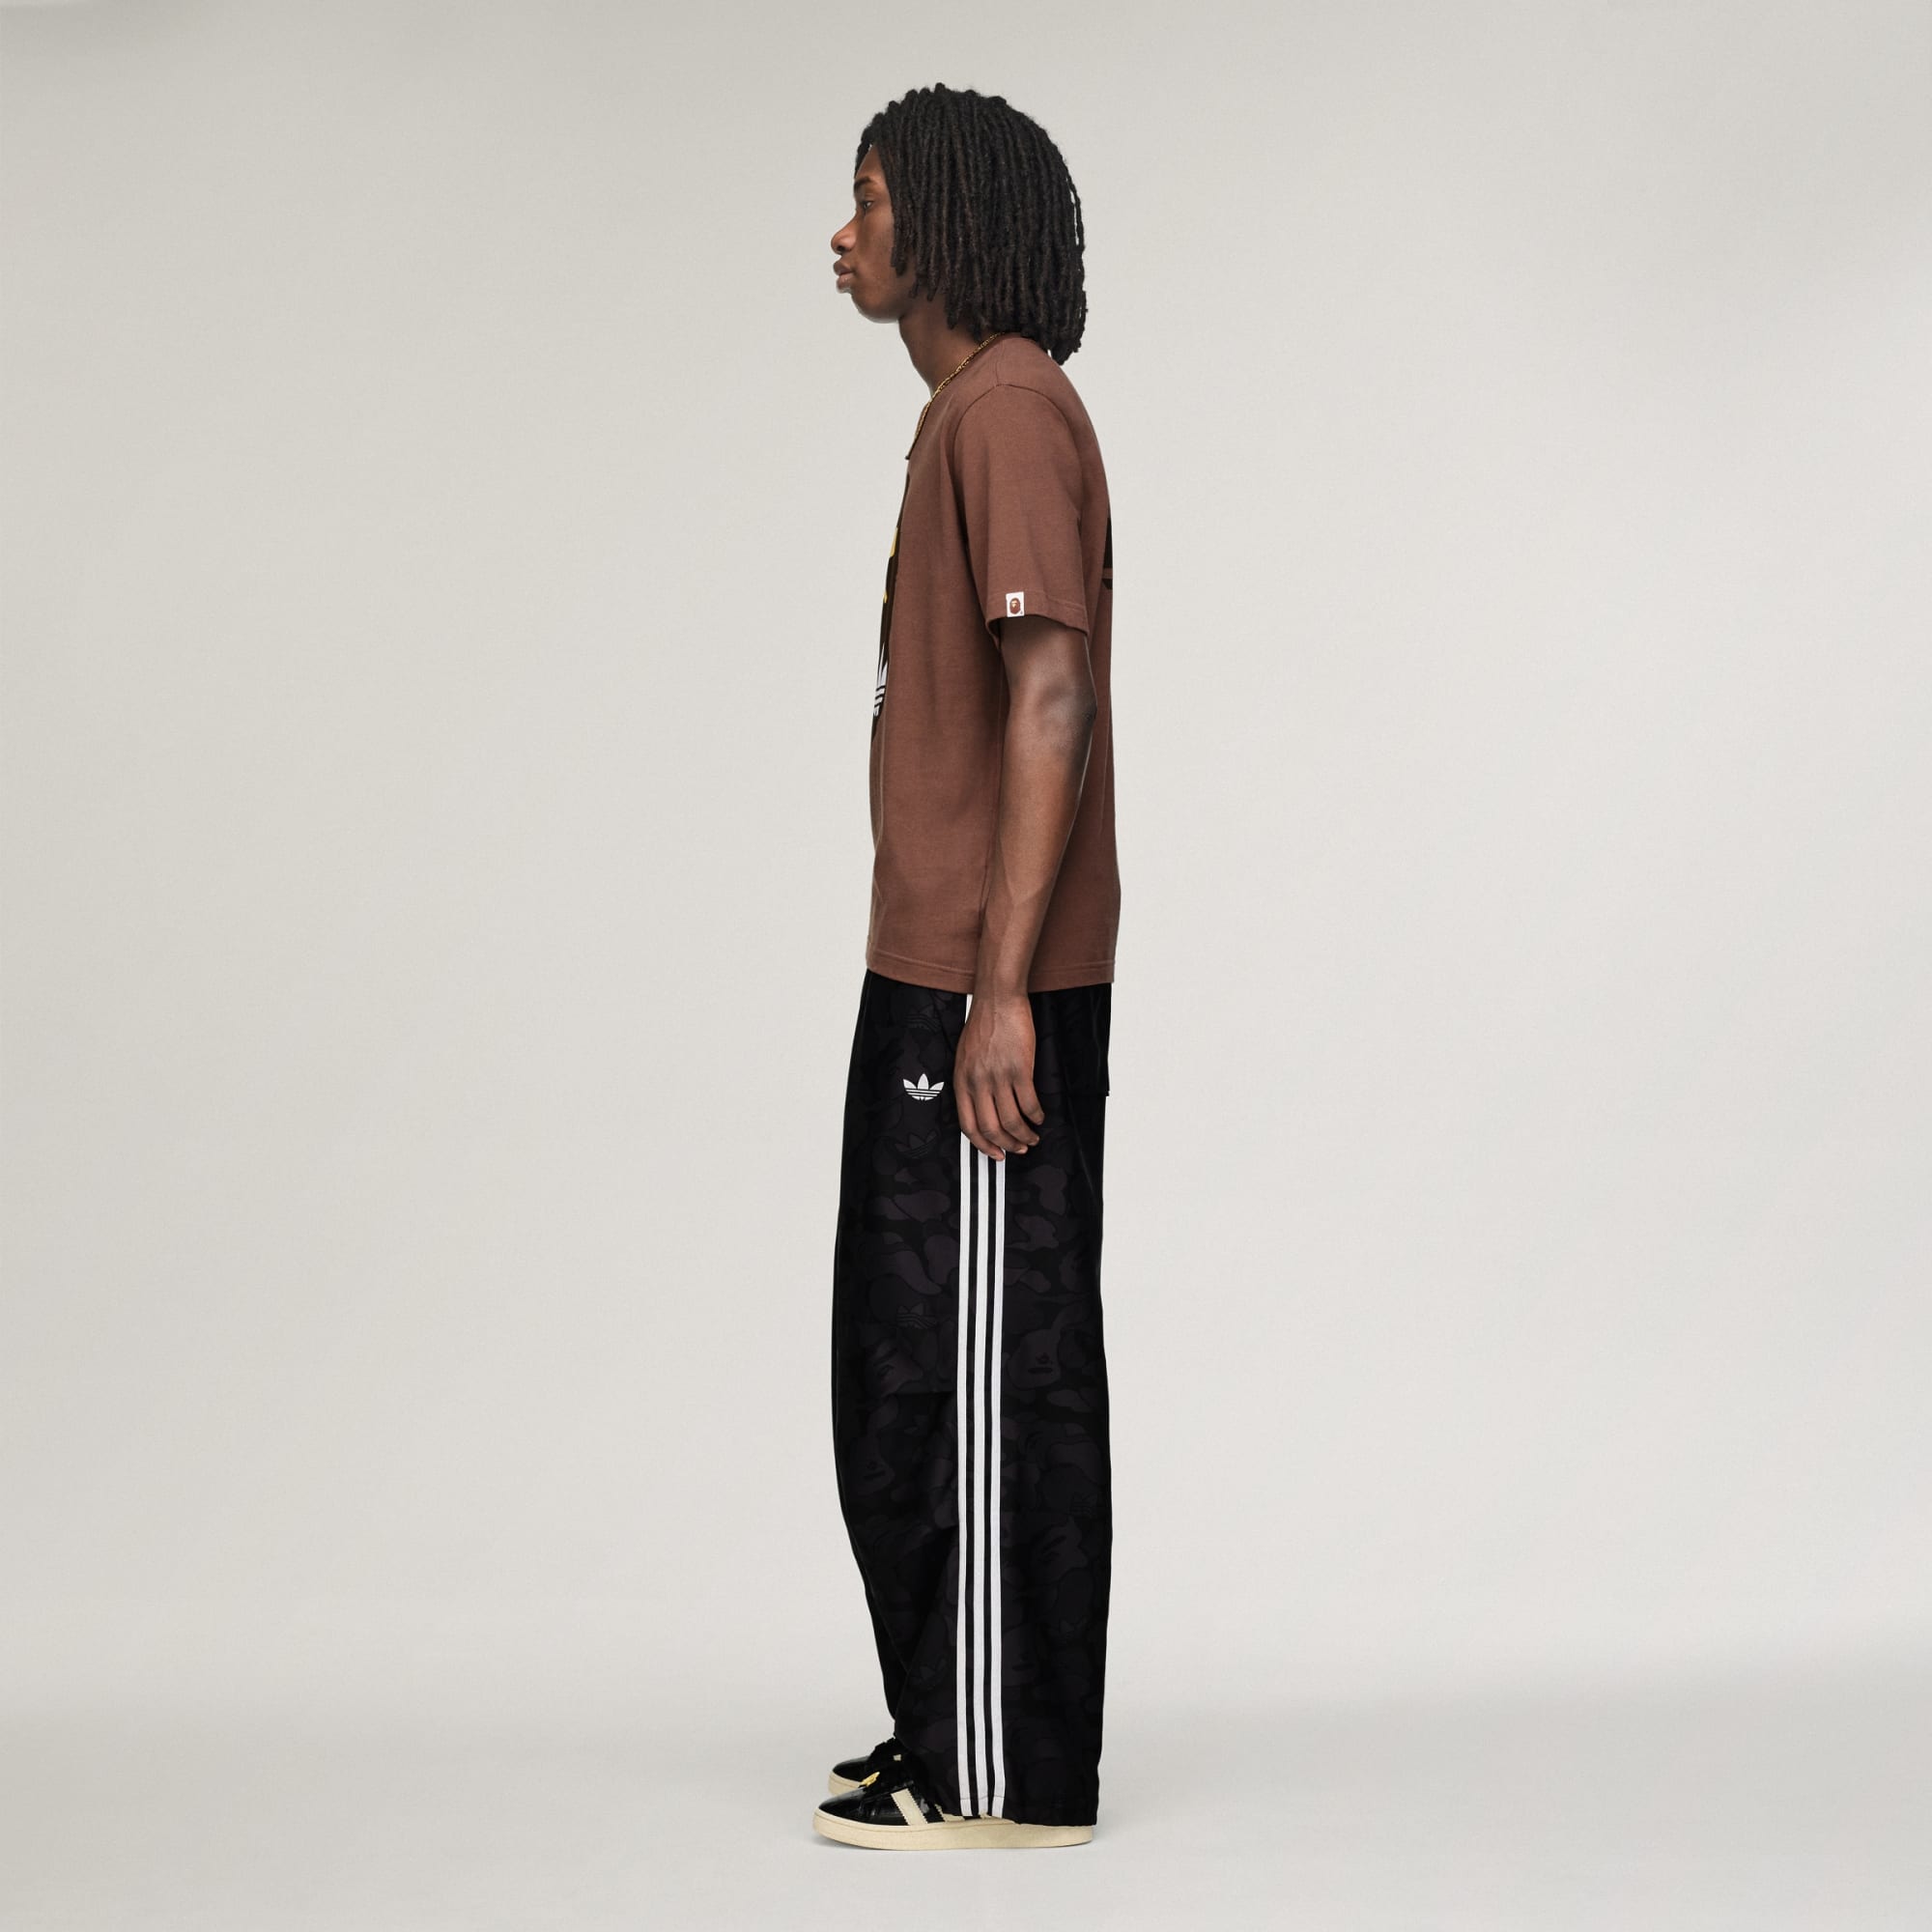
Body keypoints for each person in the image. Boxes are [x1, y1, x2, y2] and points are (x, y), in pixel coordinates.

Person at [816, 83, 1121, 1853]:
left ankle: (998, 1776)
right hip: (931, 969)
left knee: (983, 1374)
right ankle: (947, 1719)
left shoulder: (1004, 409)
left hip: (983, 989)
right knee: (901, 1368)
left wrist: (999, 993)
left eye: (866, 199)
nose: (842, 233)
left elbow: (1051, 696)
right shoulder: (967, 416)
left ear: (939, 221)